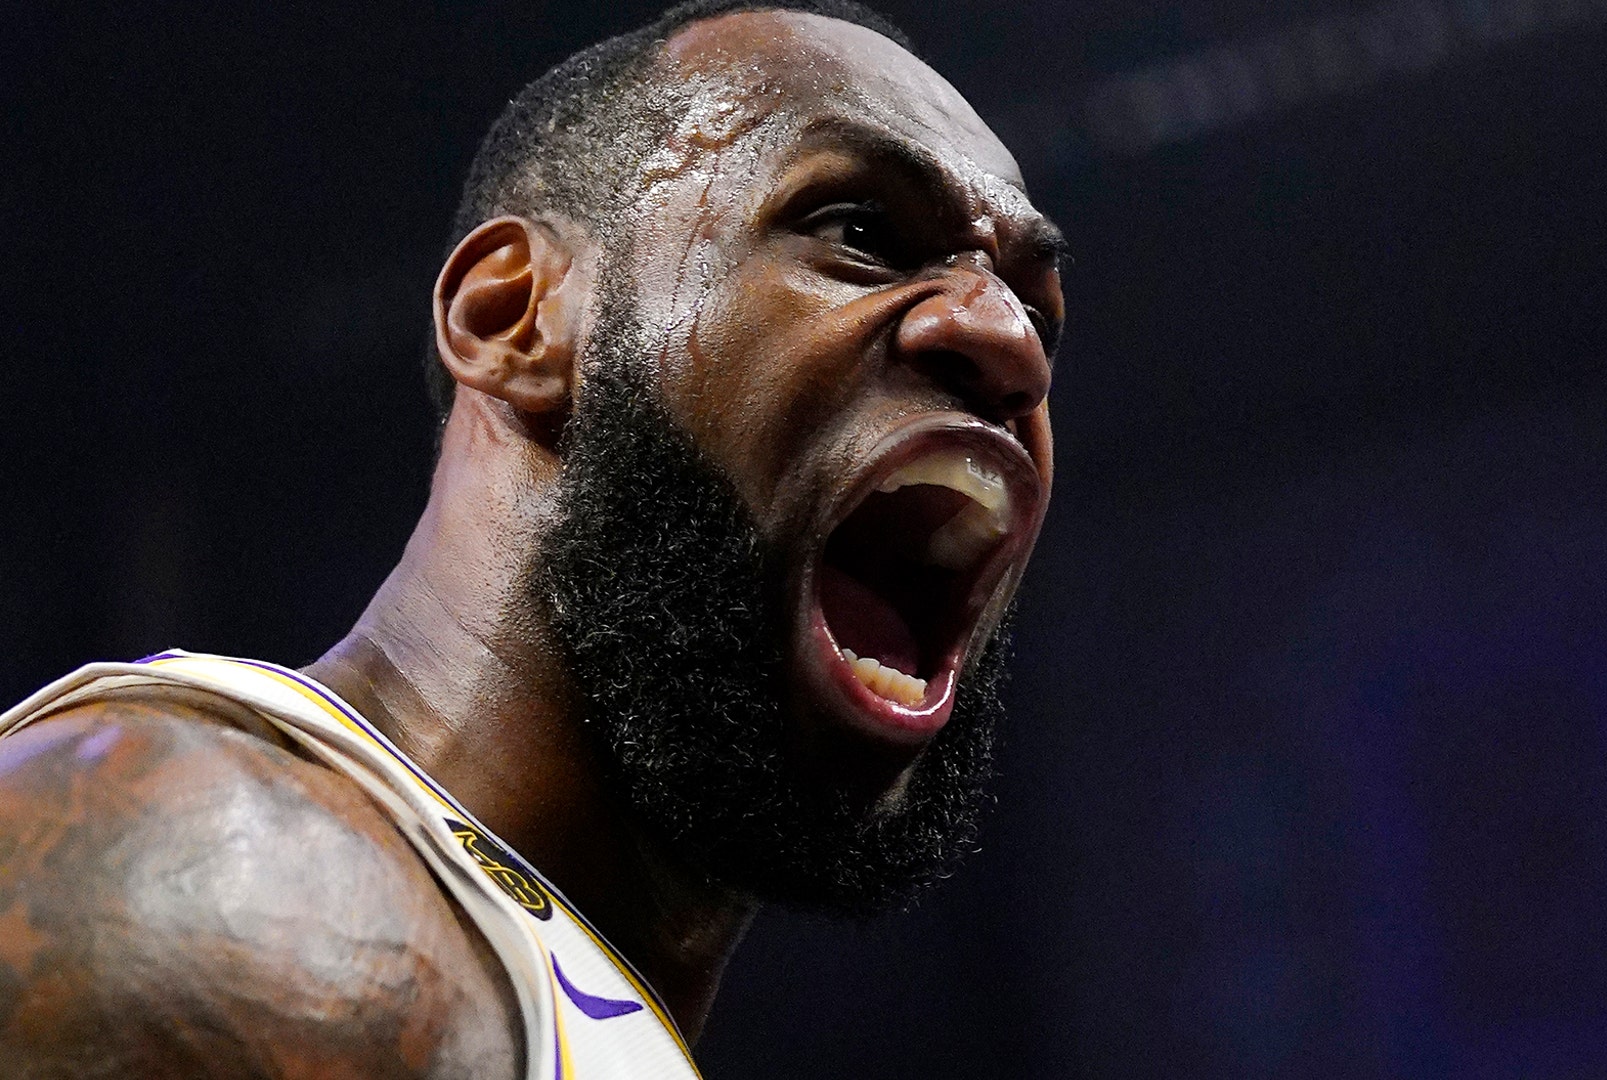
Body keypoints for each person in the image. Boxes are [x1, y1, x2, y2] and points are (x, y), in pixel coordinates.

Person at [0, 0, 1066, 1075]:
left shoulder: (483, 969)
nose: (1009, 341)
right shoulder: (228, 892)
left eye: (1041, 313)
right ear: (514, 318)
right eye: (861, 233)